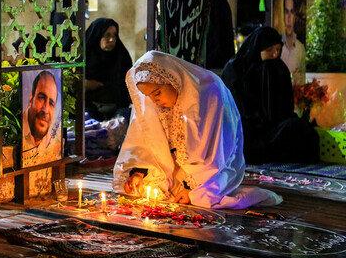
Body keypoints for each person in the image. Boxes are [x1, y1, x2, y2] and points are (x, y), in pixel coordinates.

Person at [113, 51, 281, 209]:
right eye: (148, 96)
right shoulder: (155, 104)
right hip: (177, 169)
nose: (154, 101)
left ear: (171, 79)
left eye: (157, 92)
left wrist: (189, 188)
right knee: (144, 188)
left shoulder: (209, 93)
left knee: (202, 198)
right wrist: (140, 173)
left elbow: (216, 152)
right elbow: (146, 143)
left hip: (214, 166)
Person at [221, 26, 319, 164]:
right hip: (248, 129)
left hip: (273, 129)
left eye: (278, 50)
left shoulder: (279, 68)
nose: (274, 54)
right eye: (269, 50)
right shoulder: (236, 69)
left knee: (302, 130)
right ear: (257, 48)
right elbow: (235, 107)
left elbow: (285, 108)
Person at [85, 18, 133, 121]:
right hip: (87, 108)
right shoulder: (83, 57)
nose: (111, 39)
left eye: (114, 35)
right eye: (107, 35)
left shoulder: (122, 57)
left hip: (117, 109)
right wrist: (83, 84)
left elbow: (127, 87)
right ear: (97, 36)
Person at [23, 70, 62, 168]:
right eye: (41, 98)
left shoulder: (55, 138)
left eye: (51, 103)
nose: (45, 109)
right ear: (31, 99)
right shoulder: (16, 131)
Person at [280, 0, 305, 85]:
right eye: (286, 12)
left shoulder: (301, 49)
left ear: (295, 15)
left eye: (292, 12)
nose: (289, 18)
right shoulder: (276, 49)